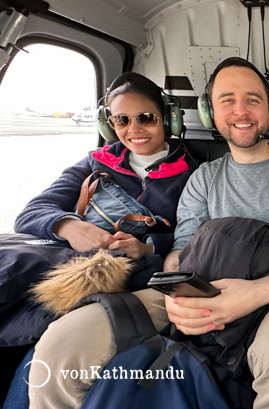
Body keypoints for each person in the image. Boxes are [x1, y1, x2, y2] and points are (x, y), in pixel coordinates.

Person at [30, 58, 269, 408]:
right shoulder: (203, 177)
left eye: (253, 99)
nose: (240, 111)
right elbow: (182, 245)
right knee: (65, 342)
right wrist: (173, 288)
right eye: (226, 100)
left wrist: (253, 295)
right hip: (196, 283)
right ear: (210, 114)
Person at [24, 72, 197, 407]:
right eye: (122, 120)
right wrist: (68, 226)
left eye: (146, 118)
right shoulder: (94, 163)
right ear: (109, 124)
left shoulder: (193, 173)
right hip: (74, 275)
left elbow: (197, 234)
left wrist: (149, 248)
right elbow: (33, 211)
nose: (134, 130)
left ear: (168, 119)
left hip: (141, 282)